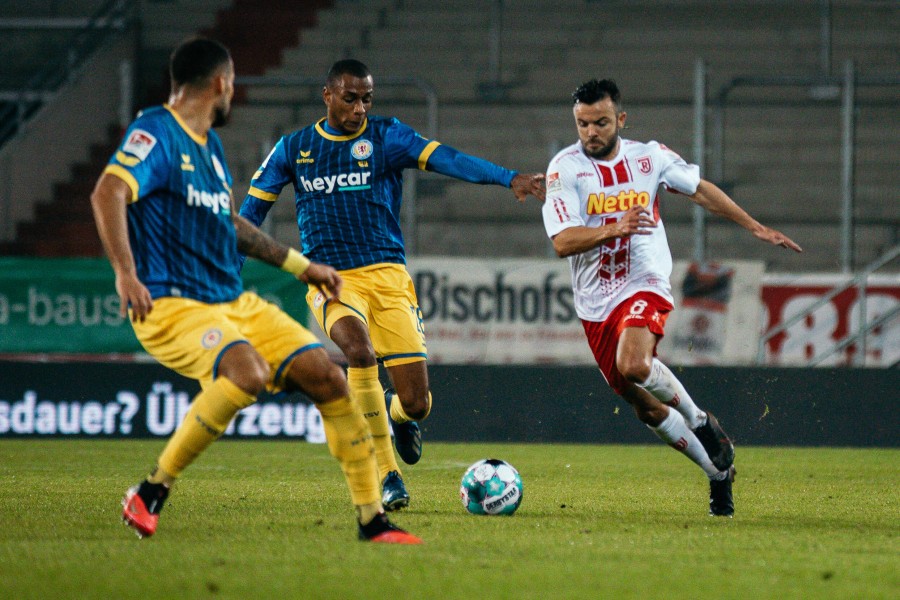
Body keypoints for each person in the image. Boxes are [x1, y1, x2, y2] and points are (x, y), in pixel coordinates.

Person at [90, 38, 420, 543]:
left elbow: (232, 226)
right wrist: (124, 272)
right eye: (233, 82)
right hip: (172, 301)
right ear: (221, 83)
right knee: (247, 371)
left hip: (230, 302)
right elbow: (109, 190)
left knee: (327, 377)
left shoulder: (210, 149)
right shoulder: (155, 132)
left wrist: (300, 265)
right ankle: (151, 490)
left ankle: (372, 520)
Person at [239, 59, 546, 511]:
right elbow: (249, 216)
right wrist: (224, 273)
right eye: (350, 98)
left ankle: (398, 415)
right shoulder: (294, 148)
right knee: (358, 352)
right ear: (327, 96)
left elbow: (448, 159)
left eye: (367, 98)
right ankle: (387, 475)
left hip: (389, 279)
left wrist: (508, 179)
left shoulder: (387, 136)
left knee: (417, 402)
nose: (360, 108)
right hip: (333, 280)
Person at [542, 79, 802, 517]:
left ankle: (701, 422)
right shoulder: (563, 169)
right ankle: (718, 474)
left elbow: (699, 189)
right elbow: (563, 242)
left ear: (620, 120)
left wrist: (754, 226)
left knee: (635, 365)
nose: (591, 132)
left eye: (601, 122)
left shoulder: (649, 157)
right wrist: (613, 228)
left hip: (645, 279)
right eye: (583, 124)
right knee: (643, 406)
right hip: (594, 301)